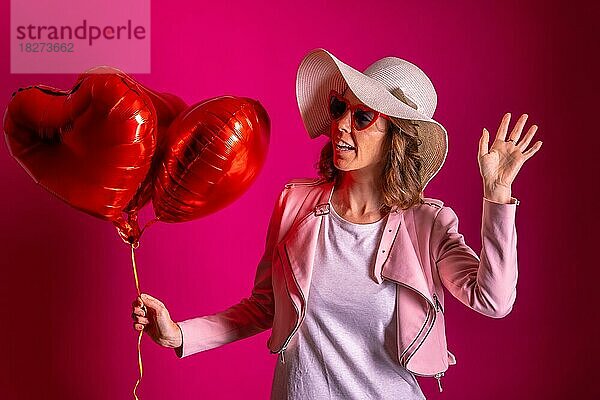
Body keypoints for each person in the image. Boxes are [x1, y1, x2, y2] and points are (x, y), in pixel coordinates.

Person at [131, 48, 542, 399]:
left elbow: (493, 299)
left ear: (395, 138)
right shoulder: (295, 203)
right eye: (338, 107)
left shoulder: (427, 224)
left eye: (363, 117)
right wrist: (179, 334)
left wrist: (498, 193)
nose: (341, 124)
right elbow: (266, 307)